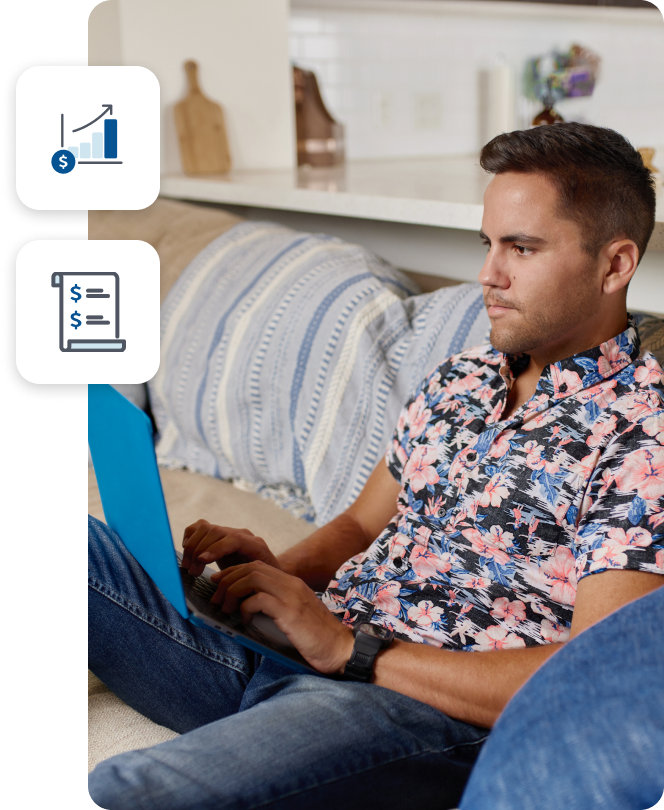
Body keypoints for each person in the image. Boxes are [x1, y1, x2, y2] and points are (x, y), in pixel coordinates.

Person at [81, 123, 664, 810]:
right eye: (488, 244)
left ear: (615, 264)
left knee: (122, 793)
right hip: (291, 655)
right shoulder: (461, 379)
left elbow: (588, 682)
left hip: (405, 711)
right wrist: (270, 579)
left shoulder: (641, 434)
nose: (488, 274)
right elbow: (360, 526)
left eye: (522, 248)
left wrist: (351, 652)